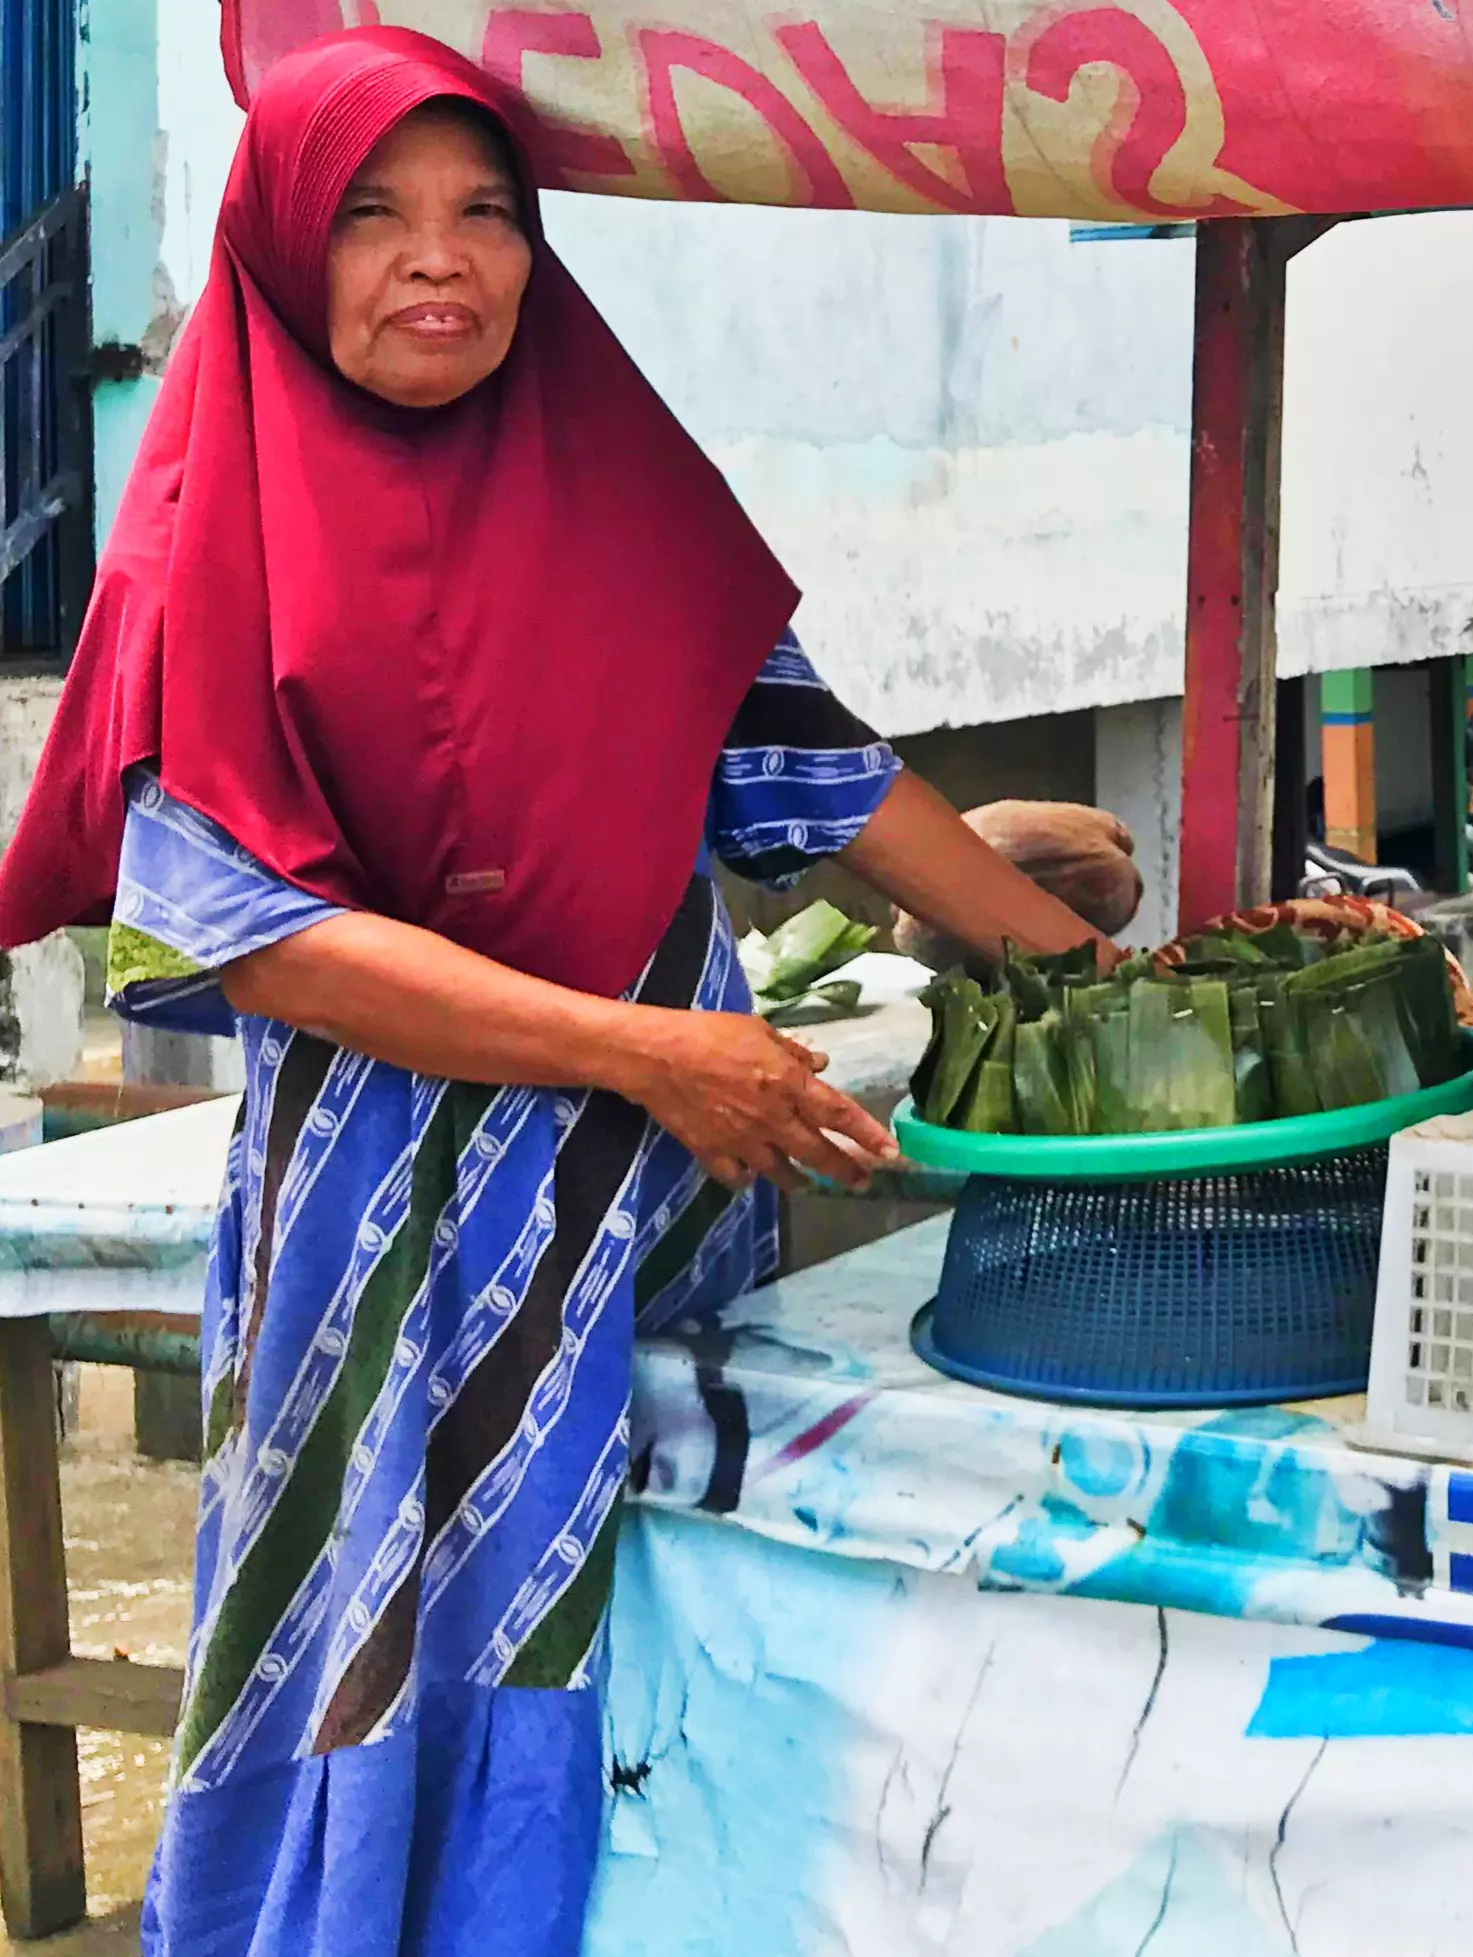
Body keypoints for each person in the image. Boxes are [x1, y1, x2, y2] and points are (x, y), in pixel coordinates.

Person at [0, 29, 1112, 1956]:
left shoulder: (609, 496)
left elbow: (813, 773)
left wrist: (1118, 983)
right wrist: (648, 1053)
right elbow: (261, 937)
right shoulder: (205, 548)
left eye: (485, 215)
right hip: (381, 1247)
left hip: (652, 1219)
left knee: (660, 1661)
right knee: (372, 1637)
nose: (441, 259)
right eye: (374, 217)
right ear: (281, 247)